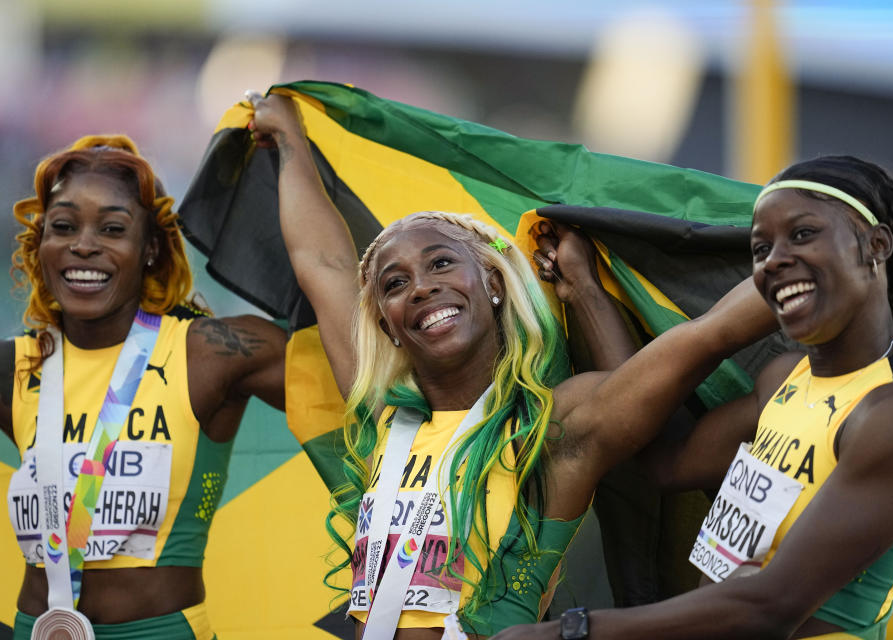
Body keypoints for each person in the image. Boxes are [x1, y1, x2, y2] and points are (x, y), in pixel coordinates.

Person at [247, 92, 778, 639]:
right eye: (395, 284)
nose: (423, 287)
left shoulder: (552, 428)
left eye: (442, 263)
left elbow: (707, 335)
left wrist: (587, 291)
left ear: (493, 284)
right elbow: (323, 263)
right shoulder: (385, 418)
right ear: (386, 324)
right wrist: (288, 137)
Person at [492, 156, 893, 640]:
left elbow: (773, 606)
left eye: (802, 235)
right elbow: (661, 459)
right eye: (760, 248)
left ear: (876, 244)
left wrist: (569, 632)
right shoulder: (786, 379)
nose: (774, 260)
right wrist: (588, 290)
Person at [0, 135, 286, 639]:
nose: (83, 245)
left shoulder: (211, 354)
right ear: (40, 242)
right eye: (62, 227)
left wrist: (297, 162)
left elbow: (364, 379)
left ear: (150, 248)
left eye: (112, 229)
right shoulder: (12, 366)